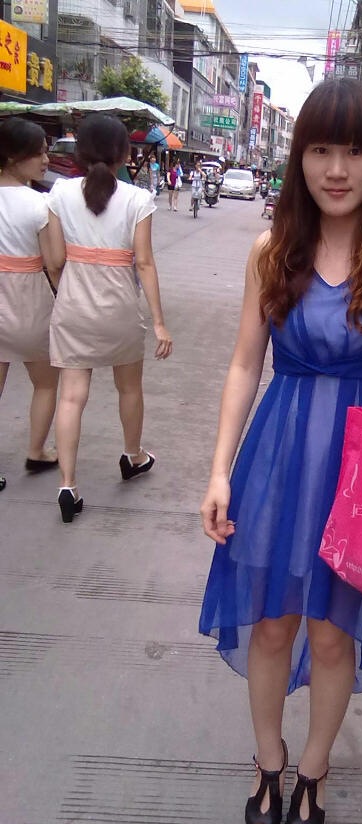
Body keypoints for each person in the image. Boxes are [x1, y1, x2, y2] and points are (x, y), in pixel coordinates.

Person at [199, 78, 362, 824]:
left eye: (356, 152)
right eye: (321, 150)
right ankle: (267, 762)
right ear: (299, 157)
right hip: (278, 455)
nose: (337, 169)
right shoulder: (272, 252)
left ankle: (313, 770)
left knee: (334, 635)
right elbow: (246, 364)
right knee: (272, 624)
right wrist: (219, 469)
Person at [46, 114, 173, 523]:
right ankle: (132, 456)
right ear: (124, 153)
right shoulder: (138, 199)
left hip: (73, 306)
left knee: (71, 396)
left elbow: (54, 260)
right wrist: (159, 322)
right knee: (129, 388)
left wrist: (66, 290)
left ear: (80, 151)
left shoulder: (60, 193)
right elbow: (145, 263)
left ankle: (68, 485)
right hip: (120, 310)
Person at [0, 117, 61, 490]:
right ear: (13, 156)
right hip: (28, 299)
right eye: (39, 153)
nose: (46, 160)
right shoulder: (41, 203)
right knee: (46, 382)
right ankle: (37, 451)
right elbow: (53, 262)